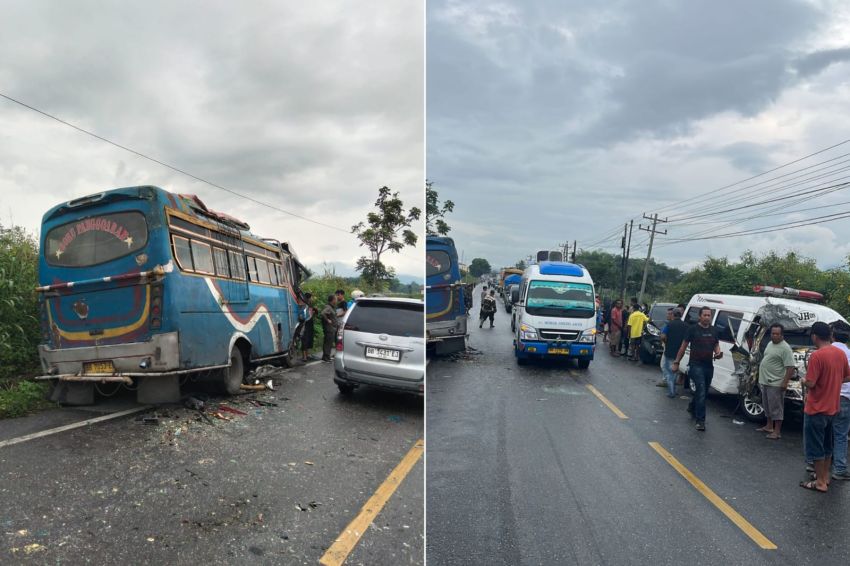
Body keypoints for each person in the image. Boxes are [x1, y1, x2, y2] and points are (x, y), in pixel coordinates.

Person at [799, 322, 850, 492]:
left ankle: (819, 482)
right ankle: (825, 477)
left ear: (814, 336)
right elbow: (847, 376)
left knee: (816, 446)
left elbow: (812, 383)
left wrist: (802, 381)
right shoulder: (840, 354)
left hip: (816, 408)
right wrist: (833, 381)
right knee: (828, 445)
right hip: (833, 407)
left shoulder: (817, 356)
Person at [672, 306, 721, 431]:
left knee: (702, 392)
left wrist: (718, 353)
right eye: (704, 315)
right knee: (701, 389)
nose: (706, 317)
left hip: (708, 366)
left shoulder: (714, 330)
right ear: (700, 316)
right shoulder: (692, 329)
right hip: (695, 365)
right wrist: (676, 362)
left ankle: (692, 406)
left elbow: (716, 344)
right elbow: (683, 347)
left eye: (709, 315)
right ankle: (700, 420)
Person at [755, 324, 796, 440]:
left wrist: (785, 382)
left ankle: (777, 431)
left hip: (776, 383)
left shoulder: (785, 348)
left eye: (777, 334)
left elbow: (790, 367)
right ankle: (769, 426)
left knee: (776, 408)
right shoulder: (770, 344)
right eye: (773, 333)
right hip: (765, 381)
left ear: (782, 335)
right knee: (767, 406)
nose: (774, 336)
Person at [829, 322, 850, 481]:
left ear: (832, 335)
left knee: (825, 431)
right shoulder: (848, 354)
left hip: (828, 396)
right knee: (841, 434)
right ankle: (839, 468)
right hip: (845, 398)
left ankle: (817, 463)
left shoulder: (826, 352)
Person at [659, 308, 687, 398]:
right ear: (681, 315)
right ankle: (673, 389)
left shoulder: (669, 325)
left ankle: (672, 392)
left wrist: (666, 341)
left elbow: (663, 336)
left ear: (673, 315)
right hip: (680, 352)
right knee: (675, 370)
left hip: (670, 351)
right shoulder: (685, 325)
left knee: (670, 371)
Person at [321, 294, 338, 362]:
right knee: (328, 343)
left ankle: (326, 356)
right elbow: (323, 313)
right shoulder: (328, 307)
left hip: (331, 328)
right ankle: (326, 357)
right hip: (329, 328)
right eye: (335, 299)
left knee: (328, 342)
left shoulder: (331, 307)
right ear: (333, 300)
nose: (336, 300)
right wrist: (328, 320)